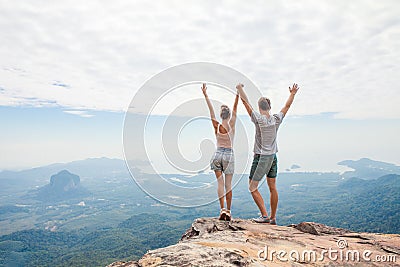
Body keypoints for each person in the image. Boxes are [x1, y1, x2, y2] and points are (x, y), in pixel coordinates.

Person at [236, 83, 299, 225]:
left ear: (259, 108)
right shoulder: (276, 119)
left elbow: (246, 103)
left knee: (252, 187)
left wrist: (240, 89)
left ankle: (264, 216)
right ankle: (273, 217)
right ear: (269, 107)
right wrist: (292, 94)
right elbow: (286, 107)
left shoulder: (259, 120)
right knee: (273, 188)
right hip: (273, 157)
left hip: (261, 158)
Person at [202, 83, 239, 221]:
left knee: (220, 184)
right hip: (229, 154)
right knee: (228, 185)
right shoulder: (232, 124)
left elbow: (210, 111)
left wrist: (206, 95)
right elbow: (236, 107)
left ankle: (222, 208)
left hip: (217, 155)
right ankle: (228, 211)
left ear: (220, 115)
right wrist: (238, 93)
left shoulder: (216, 125)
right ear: (229, 115)